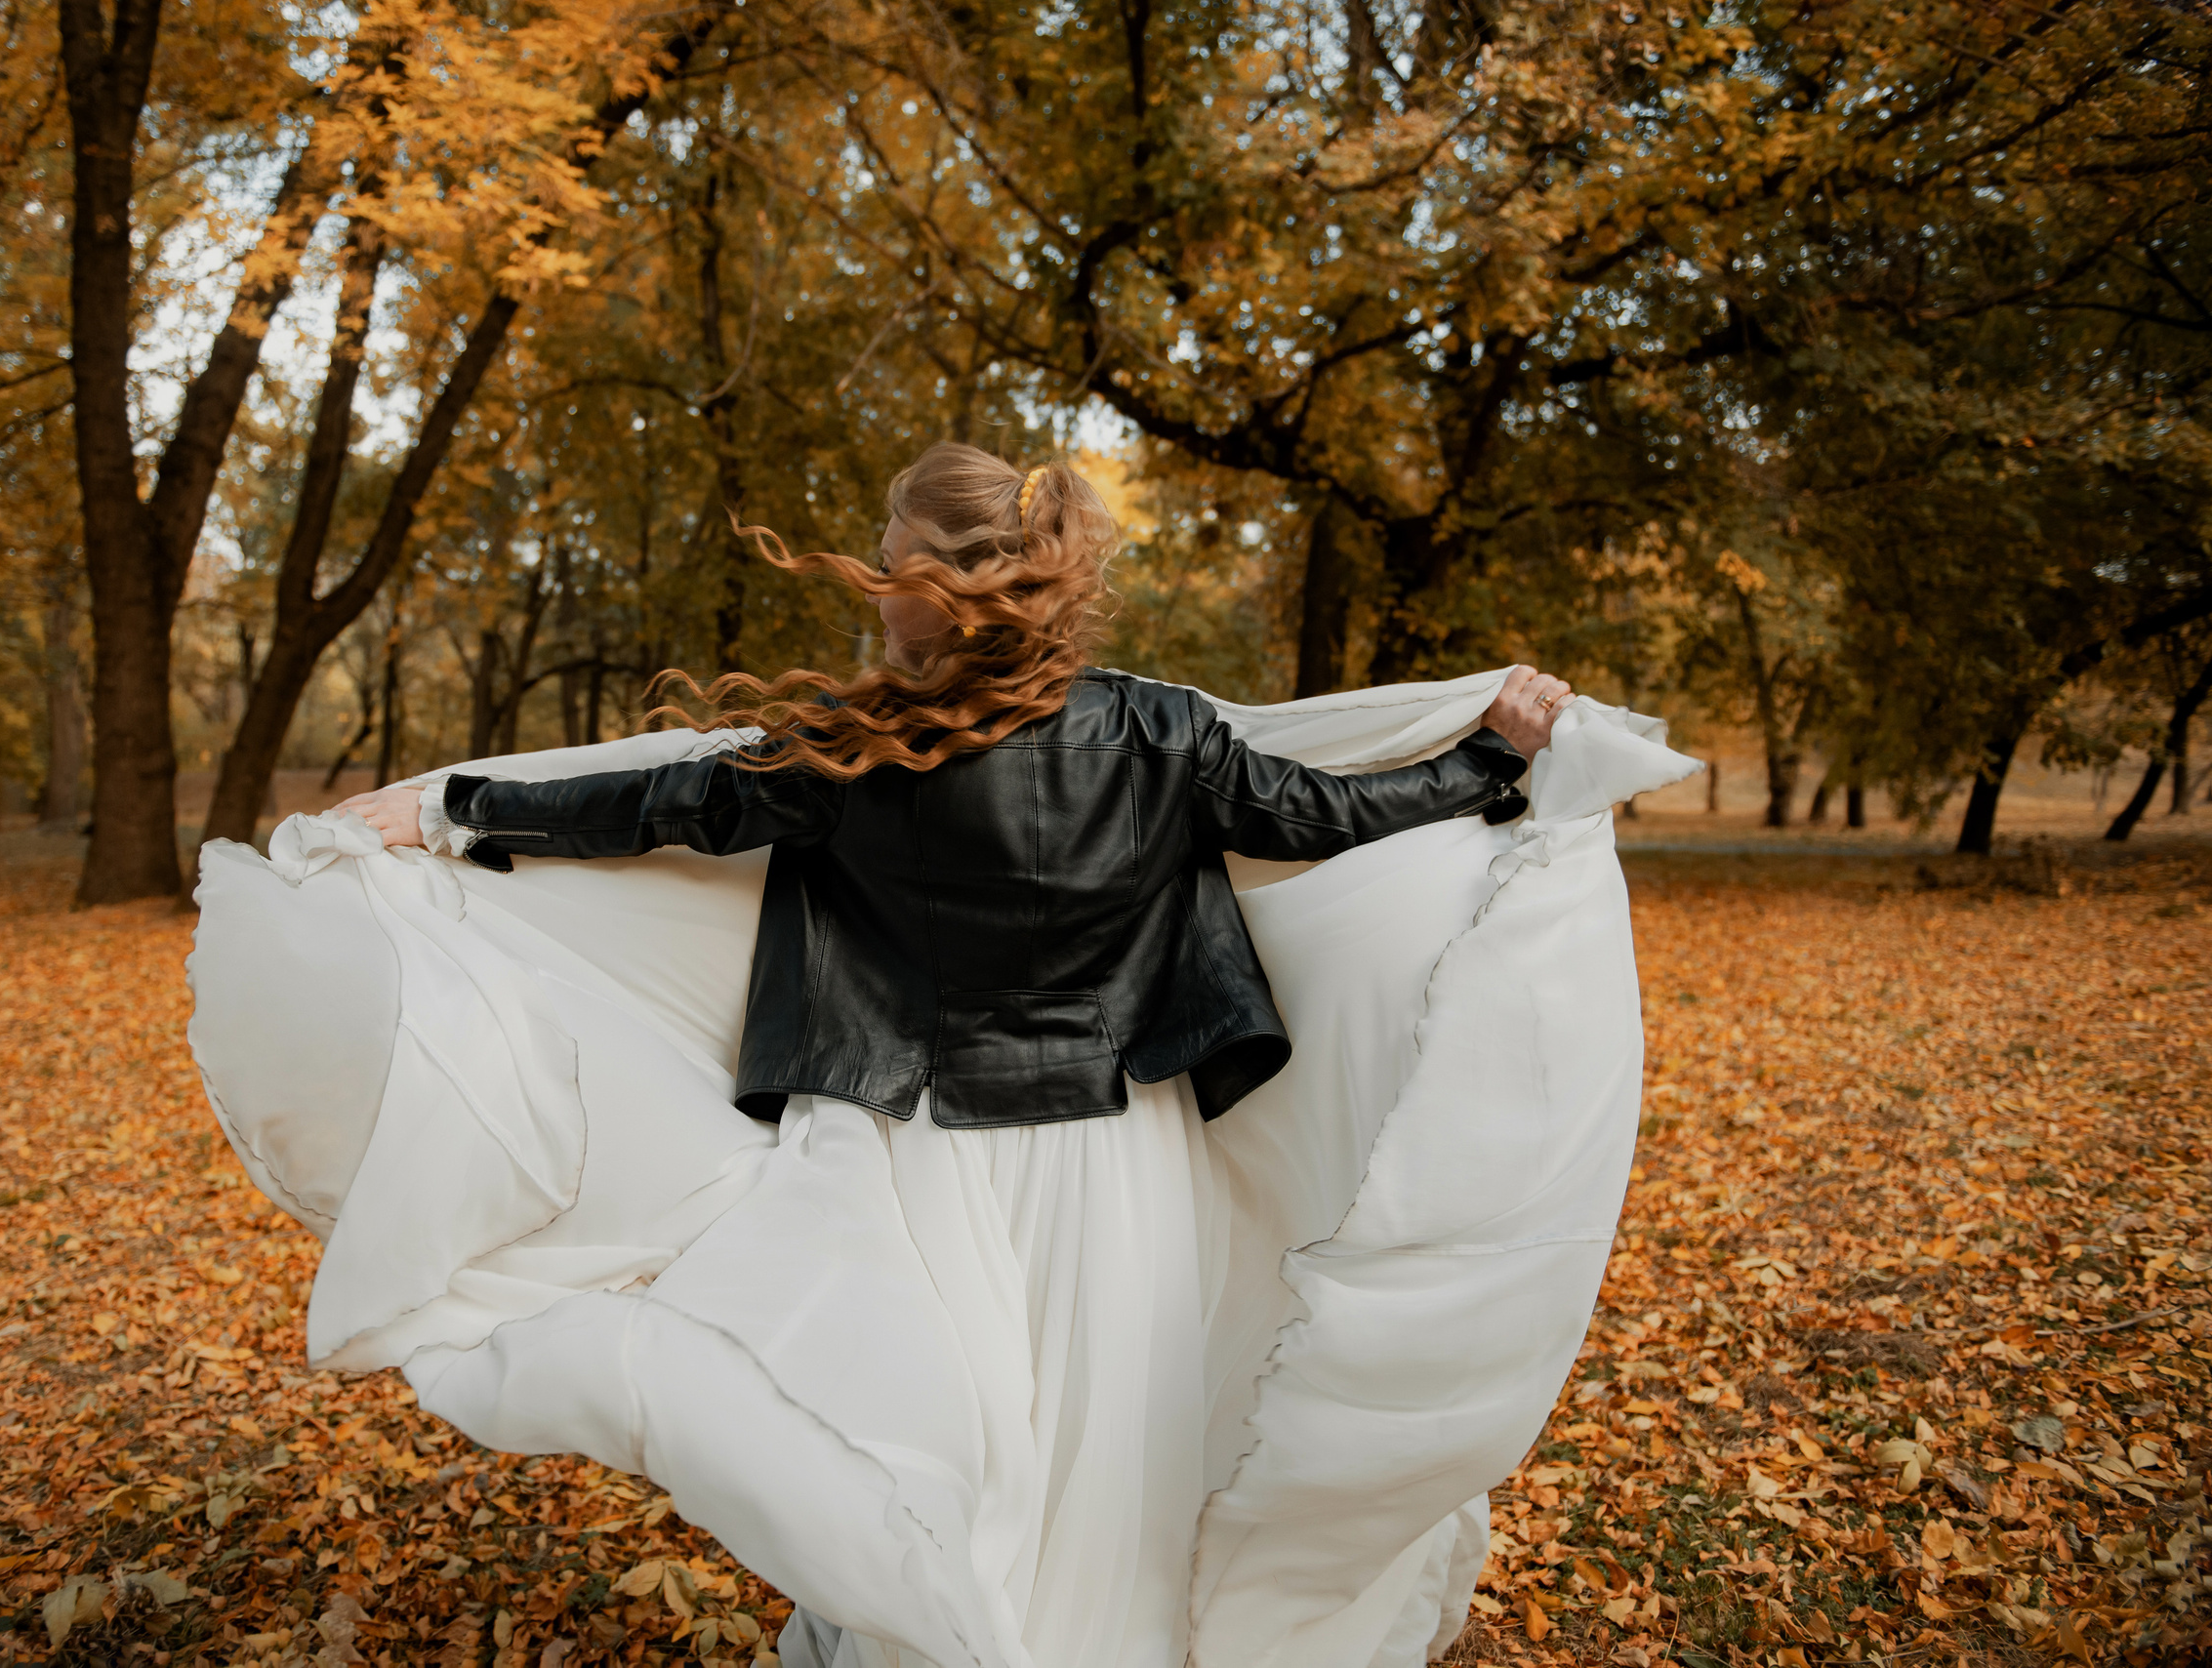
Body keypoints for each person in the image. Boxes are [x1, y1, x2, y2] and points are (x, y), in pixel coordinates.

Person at [305, 443, 1590, 1667]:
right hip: (1115, 1149)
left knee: (947, 1438)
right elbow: (1330, 816)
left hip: (918, 1146)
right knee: (1097, 1444)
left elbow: (664, 807)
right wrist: (1494, 757)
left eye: (888, 563)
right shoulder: (1154, 731)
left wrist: (456, 810)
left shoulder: (856, 745)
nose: (872, 588)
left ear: (946, 584)